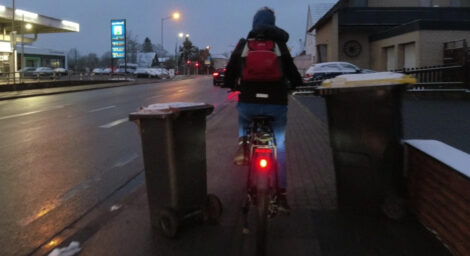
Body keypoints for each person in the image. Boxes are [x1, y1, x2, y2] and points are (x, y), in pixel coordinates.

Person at [224, 7, 303, 211]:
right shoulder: (279, 45)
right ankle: (282, 194)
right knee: (280, 145)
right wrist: (295, 84)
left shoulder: (245, 45)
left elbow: (231, 70)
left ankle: (243, 144)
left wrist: (231, 84)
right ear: (273, 24)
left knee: (243, 116)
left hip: (249, 102)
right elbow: (292, 72)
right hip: (276, 104)